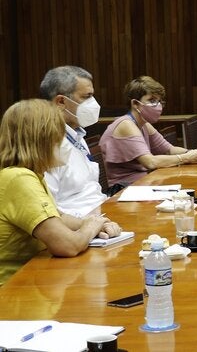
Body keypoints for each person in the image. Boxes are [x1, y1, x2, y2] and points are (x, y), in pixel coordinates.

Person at [0, 99, 122, 286]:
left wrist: (95, 224)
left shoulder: (31, 175)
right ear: (42, 139)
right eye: (59, 136)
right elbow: (67, 246)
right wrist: (90, 228)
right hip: (13, 291)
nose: (64, 143)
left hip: (33, 279)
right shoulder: (18, 178)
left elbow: (56, 217)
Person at [99, 76, 197, 186]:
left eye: (159, 101)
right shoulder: (126, 125)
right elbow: (150, 162)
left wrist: (194, 153)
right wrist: (186, 157)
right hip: (124, 188)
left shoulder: (144, 123)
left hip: (144, 182)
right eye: (152, 100)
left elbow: (169, 150)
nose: (158, 105)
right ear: (135, 104)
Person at [39, 66, 107, 217]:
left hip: (102, 212)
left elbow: (90, 190)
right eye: (86, 96)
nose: (93, 103)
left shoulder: (76, 135)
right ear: (61, 101)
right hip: (80, 227)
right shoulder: (47, 144)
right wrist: (88, 226)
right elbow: (48, 210)